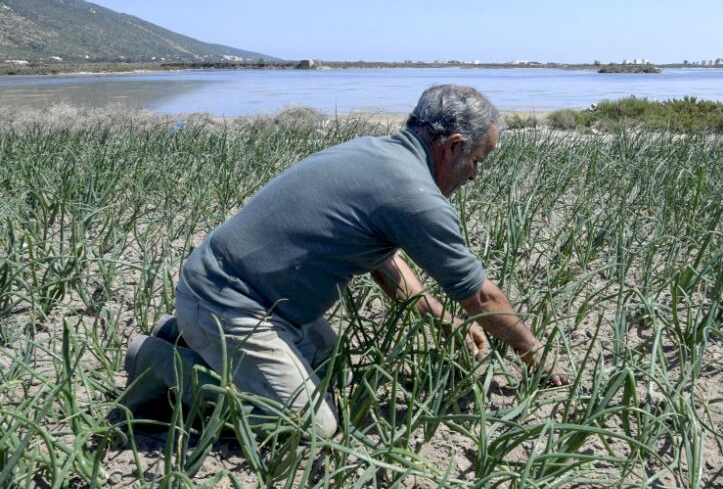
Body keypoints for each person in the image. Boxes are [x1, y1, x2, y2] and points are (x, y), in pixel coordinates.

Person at [123, 85, 569, 437]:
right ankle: (156, 360)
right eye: (476, 160)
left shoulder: (379, 154)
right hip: (228, 299)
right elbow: (482, 296)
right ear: (451, 146)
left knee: (328, 362)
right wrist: (535, 355)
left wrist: (441, 320)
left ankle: (181, 332)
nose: (475, 175)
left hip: (257, 299)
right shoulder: (413, 194)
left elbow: (385, 265)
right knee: (309, 425)